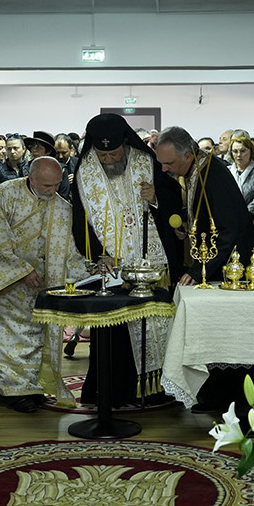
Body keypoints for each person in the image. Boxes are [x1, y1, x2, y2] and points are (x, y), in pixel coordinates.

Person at [70, 114, 184, 404]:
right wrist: (98, 254)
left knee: (157, 321)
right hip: (111, 263)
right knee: (114, 326)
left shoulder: (147, 160)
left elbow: (175, 197)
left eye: (114, 153)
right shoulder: (84, 172)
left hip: (152, 263)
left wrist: (157, 197)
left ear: (125, 144)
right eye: (102, 153)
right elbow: (79, 221)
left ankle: (158, 391)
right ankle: (115, 391)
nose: (108, 159)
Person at [0, 157, 85, 412]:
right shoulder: (5, 194)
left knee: (39, 334)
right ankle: (10, 391)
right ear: (31, 178)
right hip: (8, 283)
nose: (52, 191)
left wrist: (87, 274)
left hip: (42, 284)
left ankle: (32, 386)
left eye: (57, 185)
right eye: (47, 185)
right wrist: (21, 271)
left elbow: (70, 250)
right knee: (10, 333)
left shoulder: (62, 207)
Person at [155, 126, 254, 286]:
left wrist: (199, 270)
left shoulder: (213, 175)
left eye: (169, 163)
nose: (164, 169)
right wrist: (187, 222)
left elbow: (229, 230)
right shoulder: (197, 166)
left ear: (188, 156)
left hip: (231, 268)